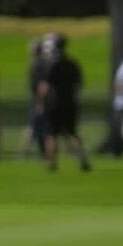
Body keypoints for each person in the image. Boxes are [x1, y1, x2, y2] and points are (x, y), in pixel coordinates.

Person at [37, 33, 91, 172]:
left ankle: (52, 162)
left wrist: (39, 102)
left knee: (51, 134)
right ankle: (83, 159)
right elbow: (79, 84)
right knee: (73, 132)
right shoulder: (72, 63)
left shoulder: (50, 64)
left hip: (53, 103)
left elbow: (45, 86)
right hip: (70, 102)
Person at [21, 35, 48, 157]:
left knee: (33, 127)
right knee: (36, 127)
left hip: (38, 100)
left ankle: (25, 152)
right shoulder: (42, 63)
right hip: (39, 100)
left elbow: (37, 85)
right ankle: (28, 151)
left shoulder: (37, 65)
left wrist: (38, 101)